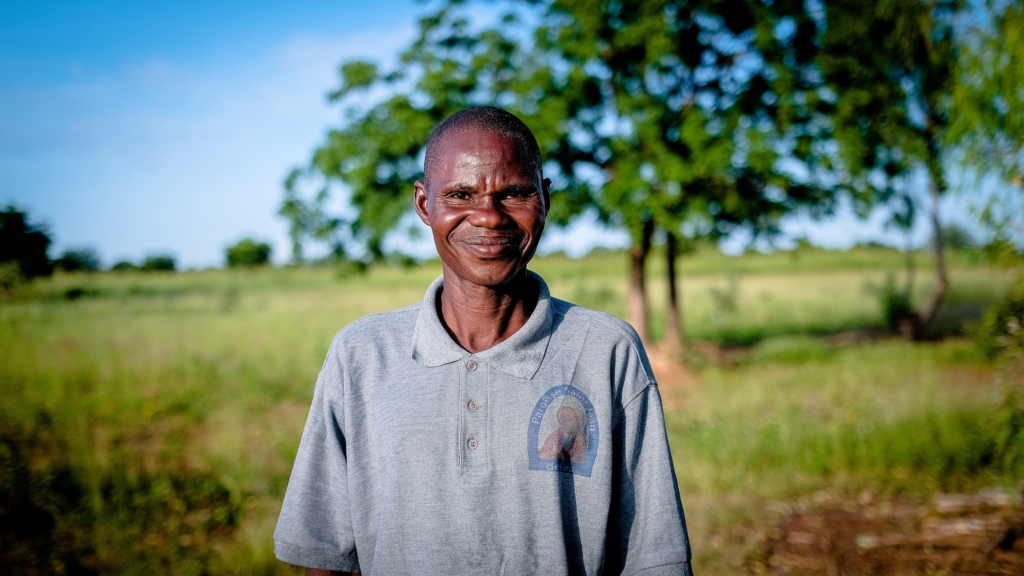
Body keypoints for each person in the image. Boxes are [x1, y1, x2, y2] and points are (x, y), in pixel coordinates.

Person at [274, 106, 693, 575]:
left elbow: (653, 555)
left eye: (513, 193)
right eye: (460, 194)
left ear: (545, 199)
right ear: (423, 204)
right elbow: (325, 556)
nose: (489, 217)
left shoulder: (605, 351)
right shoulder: (362, 355)